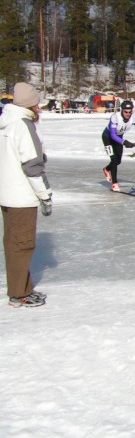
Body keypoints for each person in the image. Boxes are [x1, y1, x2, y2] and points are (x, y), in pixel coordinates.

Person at [0, 82, 52, 308]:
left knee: (14, 243)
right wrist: (45, 195)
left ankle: (23, 288)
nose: (39, 107)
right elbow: (32, 166)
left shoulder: (6, 122)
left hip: (7, 193)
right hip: (21, 196)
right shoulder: (23, 125)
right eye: (37, 103)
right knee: (22, 245)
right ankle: (19, 294)